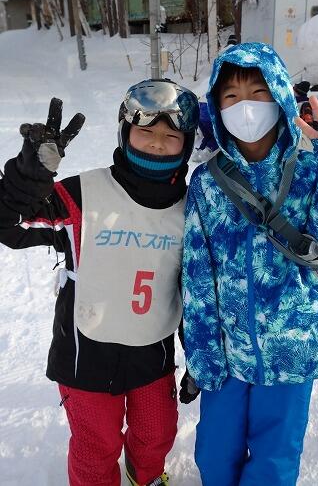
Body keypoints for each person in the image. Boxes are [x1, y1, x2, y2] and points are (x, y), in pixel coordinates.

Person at [181, 42, 318, 486]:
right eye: (231, 96)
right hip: (228, 354)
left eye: (258, 93)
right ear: (217, 108)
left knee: (274, 464)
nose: (245, 107)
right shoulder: (208, 183)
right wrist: (202, 353)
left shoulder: (312, 173)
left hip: (294, 350)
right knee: (214, 456)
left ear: (281, 96)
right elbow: (197, 276)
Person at [0, 79, 200, 486]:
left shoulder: (192, 209)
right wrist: (25, 182)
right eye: (146, 131)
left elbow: (194, 290)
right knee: (96, 443)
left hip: (153, 351)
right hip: (85, 353)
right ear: (125, 132)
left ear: (187, 144)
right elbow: (11, 225)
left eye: (171, 136)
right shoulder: (83, 194)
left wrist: (199, 355)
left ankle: (145, 477)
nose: (157, 143)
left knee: (156, 433)